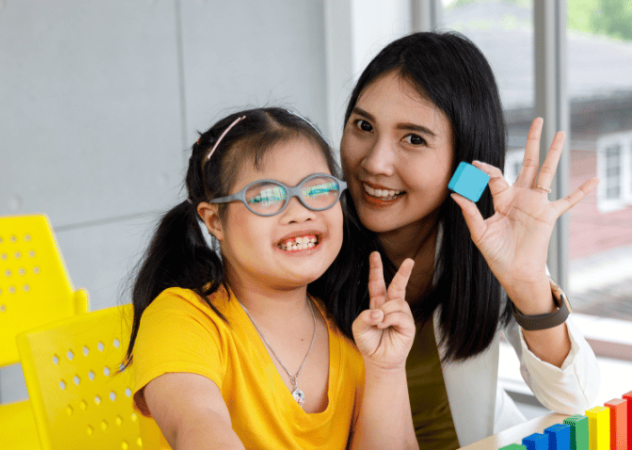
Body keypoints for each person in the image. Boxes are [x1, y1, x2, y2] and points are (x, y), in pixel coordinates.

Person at [311, 32, 601, 449]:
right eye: (363, 126)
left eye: (413, 139)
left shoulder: (488, 236)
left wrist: (528, 285)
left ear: (465, 162)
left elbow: (577, 399)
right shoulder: (312, 239)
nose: (375, 162)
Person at [125, 107, 419, 450]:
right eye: (266, 197)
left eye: (317, 189)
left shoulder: (351, 327)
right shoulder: (181, 320)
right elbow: (198, 428)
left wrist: (385, 370)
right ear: (215, 220)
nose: (300, 213)